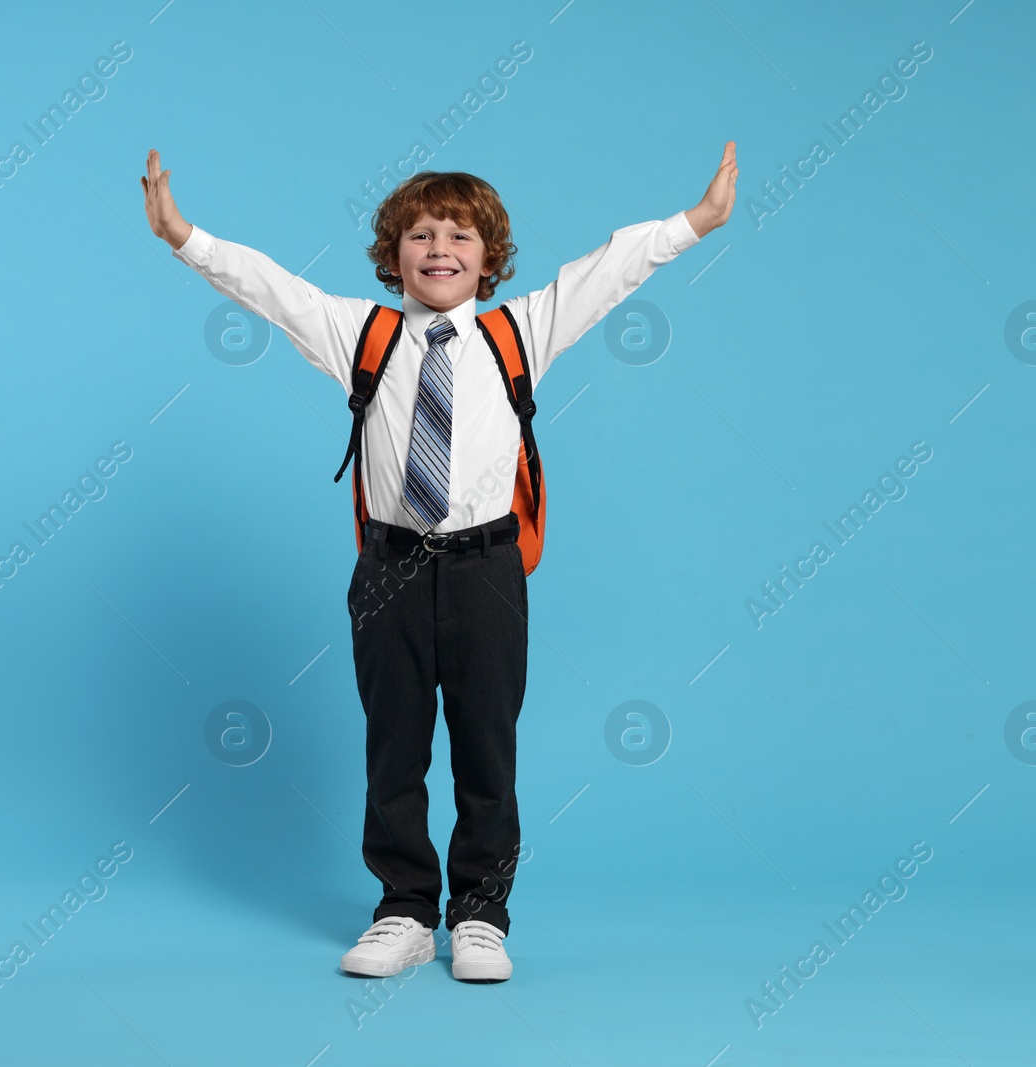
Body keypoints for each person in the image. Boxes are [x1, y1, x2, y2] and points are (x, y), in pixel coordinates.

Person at [141, 143, 737, 981]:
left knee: (486, 743)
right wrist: (182, 236)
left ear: (489, 258)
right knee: (396, 742)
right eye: (420, 235)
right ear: (394, 257)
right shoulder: (362, 332)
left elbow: (608, 270)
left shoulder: (520, 329)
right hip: (388, 566)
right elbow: (270, 288)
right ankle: (406, 910)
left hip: (488, 567)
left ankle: (482, 915)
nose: (439, 249)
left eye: (459, 235)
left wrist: (696, 222)